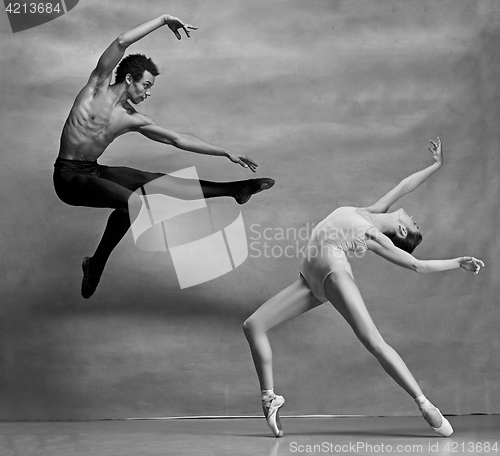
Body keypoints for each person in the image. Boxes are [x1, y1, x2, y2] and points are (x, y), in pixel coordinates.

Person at [243, 137, 484, 438]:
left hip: (333, 274)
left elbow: (416, 265)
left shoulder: (374, 236)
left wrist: (457, 262)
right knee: (253, 325)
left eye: (415, 224)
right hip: (310, 280)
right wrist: (436, 166)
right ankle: (269, 400)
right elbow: (404, 185)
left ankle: (424, 404)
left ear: (401, 230)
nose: (415, 218)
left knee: (374, 342)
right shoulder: (370, 210)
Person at [53, 14, 274, 299]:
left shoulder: (133, 119)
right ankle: (95, 265)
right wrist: (163, 20)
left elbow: (177, 139)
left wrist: (226, 152)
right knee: (134, 204)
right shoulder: (95, 88)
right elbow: (122, 41)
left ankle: (235, 190)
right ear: (129, 79)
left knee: (156, 183)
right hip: (68, 177)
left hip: (92, 170)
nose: (147, 94)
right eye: (146, 86)